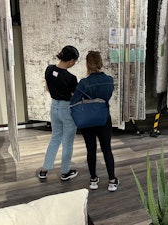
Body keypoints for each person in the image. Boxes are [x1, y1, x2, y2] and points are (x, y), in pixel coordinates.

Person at [70, 51, 119, 192]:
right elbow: (107, 96)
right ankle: (112, 180)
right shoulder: (109, 80)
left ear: (87, 64)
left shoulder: (83, 83)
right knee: (106, 149)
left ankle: (93, 180)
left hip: (87, 121)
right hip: (104, 119)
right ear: (101, 63)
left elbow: (74, 102)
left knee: (91, 150)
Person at [38, 45, 79, 181]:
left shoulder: (49, 69)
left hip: (54, 106)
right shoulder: (71, 78)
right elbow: (74, 97)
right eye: (75, 61)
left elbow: (47, 88)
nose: (74, 64)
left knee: (55, 138)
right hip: (66, 109)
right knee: (67, 142)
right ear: (71, 60)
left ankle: (44, 169)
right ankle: (65, 172)